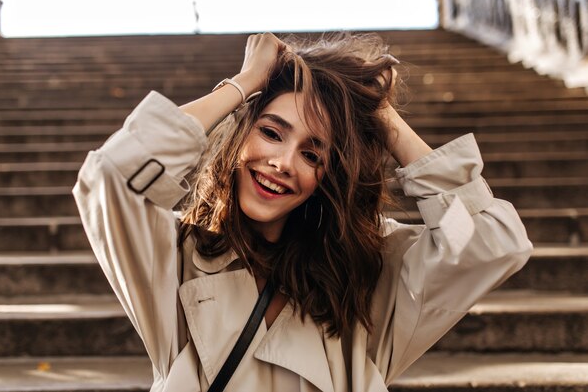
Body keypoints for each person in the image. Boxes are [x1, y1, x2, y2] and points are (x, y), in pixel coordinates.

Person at [72, 32, 532, 392]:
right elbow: (111, 176)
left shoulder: (368, 273)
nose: (283, 163)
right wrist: (245, 82)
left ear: (326, 178)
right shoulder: (178, 256)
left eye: (312, 155)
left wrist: (382, 116)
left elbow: (490, 244)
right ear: (238, 137)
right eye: (272, 133)